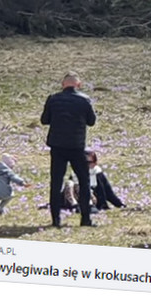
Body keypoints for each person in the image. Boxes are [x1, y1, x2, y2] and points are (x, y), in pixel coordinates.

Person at [41, 72, 97, 227]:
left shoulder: (53, 99)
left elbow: (44, 120)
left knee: (56, 182)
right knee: (84, 182)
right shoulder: (84, 100)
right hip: (76, 146)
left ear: (62, 84)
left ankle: (55, 220)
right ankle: (85, 219)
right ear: (78, 85)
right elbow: (91, 121)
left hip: (57, 146)